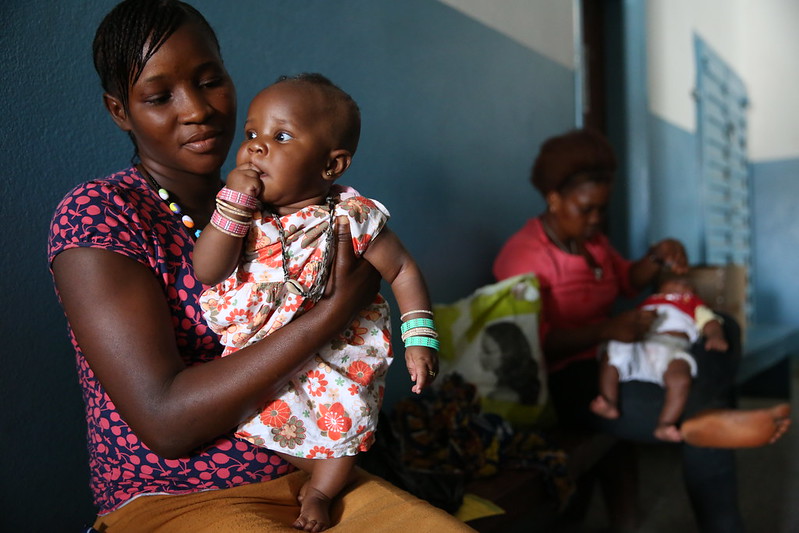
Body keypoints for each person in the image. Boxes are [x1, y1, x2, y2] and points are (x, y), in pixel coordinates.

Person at [47, 1, 471, 531]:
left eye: (209, 80)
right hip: (179, 495)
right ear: (119, 110)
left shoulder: (295, 201)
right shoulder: (103, 214)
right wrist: (336, 309)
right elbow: (166, 422)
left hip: (317, 472)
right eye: (159, 97)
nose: (197, 109)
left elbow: (397, 271)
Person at [493, 128, 789, 532]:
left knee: (724, 329)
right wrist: (607, 330)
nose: (596, 220)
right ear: (554, 198)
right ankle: (714, 429)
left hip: (627, 352)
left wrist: (657, 256)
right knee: (703, 414)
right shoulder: (525, 255)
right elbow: (528, 347)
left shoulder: (592, 242)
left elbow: (628, 280)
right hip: (573, 378)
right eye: (587, 209)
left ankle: (708, 412)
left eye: (602, 209)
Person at [192, 73, 439, 531]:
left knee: (346, 429)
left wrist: (419, 338)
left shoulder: (353, 215)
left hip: (336, 358)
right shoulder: (242, 213)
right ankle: (292, 463)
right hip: (265, 351)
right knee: (252, 414)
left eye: (280, 136)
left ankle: (321, 491)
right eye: (251, 134)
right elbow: (208, 270)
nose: (257, 147)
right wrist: (230, 208)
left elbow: (403, 270)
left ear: (332, 165)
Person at [591, 274, 729, 442]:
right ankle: (608, 401)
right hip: (641, 344)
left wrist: (715, 336)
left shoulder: (693, 304)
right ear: (658, 288)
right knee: (612, 353)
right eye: (674, 280)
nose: (681, 283)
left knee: (680, 378)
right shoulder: (649, 302)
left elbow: (711, 322)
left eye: (687, 283)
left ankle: (665, 424)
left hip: (672, 348)